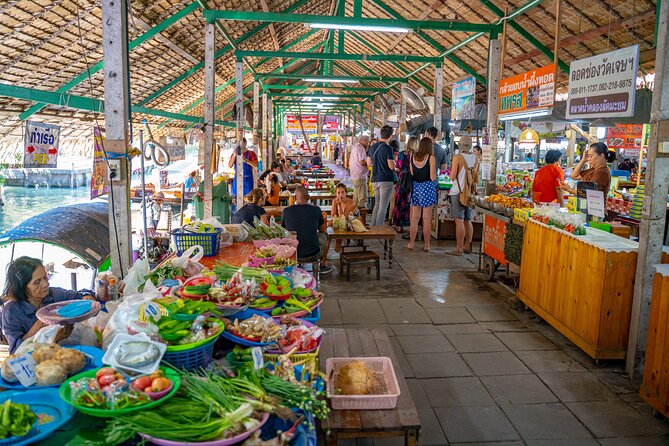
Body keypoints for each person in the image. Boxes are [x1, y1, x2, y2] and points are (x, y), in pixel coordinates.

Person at [1, 257, 96, 353]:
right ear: (23, 287)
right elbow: (15, 351)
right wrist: (36, 329)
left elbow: (80, 295)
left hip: (64, 350)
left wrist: (86, 297)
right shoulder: (11, 312)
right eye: (37, 282)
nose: (45, 284)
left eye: (45, 277)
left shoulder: (55, 294)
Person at [282, 187, 332, 273]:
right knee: (326, 236)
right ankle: (322, 265)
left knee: (287, 236)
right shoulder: (316, 210)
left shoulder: (286, 211)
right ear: (308, 197)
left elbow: (283, 230)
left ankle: (288, 265)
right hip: (313, 254)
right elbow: (321, 229)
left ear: (294, 198)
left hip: (293, 254)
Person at [447, 135, 479, 256]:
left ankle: (459, 248)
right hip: (470, 193)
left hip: (458, 192)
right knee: (468, 220)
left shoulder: (458, 157)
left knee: (459, 221)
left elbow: (452, 176)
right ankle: (467, 245)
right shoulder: (476, 158)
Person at [408, 137, 437, 251]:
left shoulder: (412, 156)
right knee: (426, 218)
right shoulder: (431, 158)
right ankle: (426, 245)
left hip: (416, 187)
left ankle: (411, 243)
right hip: (427, 188)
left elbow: (412, 173)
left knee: (414, 218)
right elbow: (433, 177)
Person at [367, 125, 396, 227]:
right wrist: (394, 163)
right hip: (386, 180)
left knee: (377, 204)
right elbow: (391, 166)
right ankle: (379, 229)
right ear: (390, 136)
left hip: (375, 179)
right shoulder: (388, 148)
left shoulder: (372, 147)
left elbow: (369, 163)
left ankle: (373, 226)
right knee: (383, 206)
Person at [392, 136, 415, 231]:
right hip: (413, 180)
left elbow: (397, 168)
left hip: (402, 180)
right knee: (410, 203)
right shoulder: (416, 155)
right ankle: (411, 226)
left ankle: (399, 226)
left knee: (400, 201)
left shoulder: (401, 154)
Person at [331, 183, 357, 252]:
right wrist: (335, 219)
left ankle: (337, 250)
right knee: (330, 225)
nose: (340, 195)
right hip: (342, 223)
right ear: (336, 194)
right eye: (338, 193)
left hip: (353, 224)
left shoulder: (351, 203)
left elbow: (344, 218)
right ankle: (331, 251)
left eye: (342, 192)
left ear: (346, 193)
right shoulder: (334, 201)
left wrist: (339, 206)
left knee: (339, 229)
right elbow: (333, 215)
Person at [349, 135, 369, 208]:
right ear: (364, 141)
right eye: (367, 142)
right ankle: (361, 217)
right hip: (360, 175)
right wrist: (370, 163)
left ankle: (356, 216)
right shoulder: (360, 148)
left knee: (356, 198)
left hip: (355, 175)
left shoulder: (356, 147)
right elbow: (361, 162)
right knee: (362, 200)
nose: (368, 144)